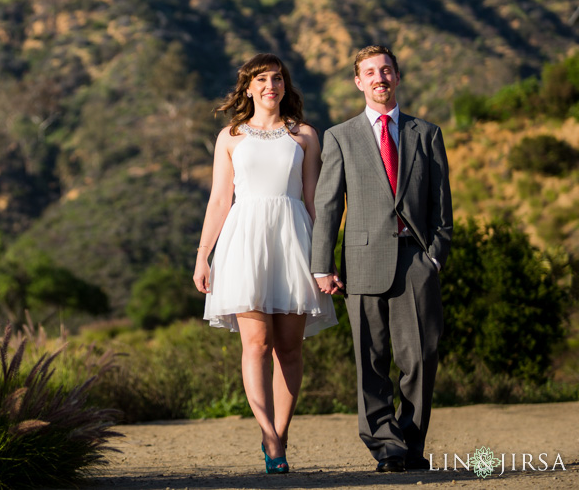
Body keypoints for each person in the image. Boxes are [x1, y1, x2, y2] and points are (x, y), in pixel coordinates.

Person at [310, 45, 452, 473]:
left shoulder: (426, 133)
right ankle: (386, 447)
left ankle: (410, 444)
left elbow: (442, 210)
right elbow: (329, 205)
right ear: (358, 81)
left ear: (397, 76)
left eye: (386, 70)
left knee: (421, 359)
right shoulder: (340, 136)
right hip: (363, 262)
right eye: (370, 72)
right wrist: (323, 264)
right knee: (370, 361)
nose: (379, 78)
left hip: (416, 262)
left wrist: (435, 259)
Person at [193, 53, 337, 475]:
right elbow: (220, 200)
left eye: (277, 78)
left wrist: (325, 259)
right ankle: (270, 440)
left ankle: (281, 432)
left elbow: (315, 202)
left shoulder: (306, 136)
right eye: (261, 79)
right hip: (244, 244)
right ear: (249, 87)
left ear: (285, 86)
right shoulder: (231, 137)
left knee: (289, 348)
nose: (270, 85)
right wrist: (203, 255)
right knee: (256, 345)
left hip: (294, 242)